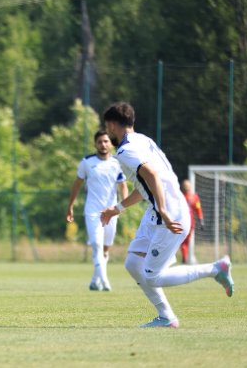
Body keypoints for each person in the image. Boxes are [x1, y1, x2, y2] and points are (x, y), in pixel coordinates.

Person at [100, 102, 234, 328]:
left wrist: (162, 209)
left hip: (169, 212)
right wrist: (117, 209)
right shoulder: (143, 140)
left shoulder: (125, 150)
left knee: (152, 276)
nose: (107, 132)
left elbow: (151, 175)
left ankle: (215, 269)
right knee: (133, 262)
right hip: (160, 211)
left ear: (113, 125)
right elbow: (144, 187)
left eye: (107, 127)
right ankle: (166, 317)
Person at [66, 130, 128, 291]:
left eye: (106, 141)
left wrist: (123, 205)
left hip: (111, 211)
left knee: (106, 247)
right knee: (96, 244)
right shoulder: (86, 162)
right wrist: (70, 206)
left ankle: (95, 280)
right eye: (100, 141)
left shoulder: (117, 162)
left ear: (110, 144)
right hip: (93, 211)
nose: (103, 144)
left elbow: (123, 185)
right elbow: (77, 184)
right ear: (95, 144)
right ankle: (105, 281)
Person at [180, 179, 204, 264]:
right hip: (189, 223)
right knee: (185, 241)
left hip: (182, 222)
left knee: (183, 242)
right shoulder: (193, 197)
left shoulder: (179, 196)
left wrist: (201, 220)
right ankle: (185, 258)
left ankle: (184, 258)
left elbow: (198, 209)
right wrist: (201, 220)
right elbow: (198, 209)